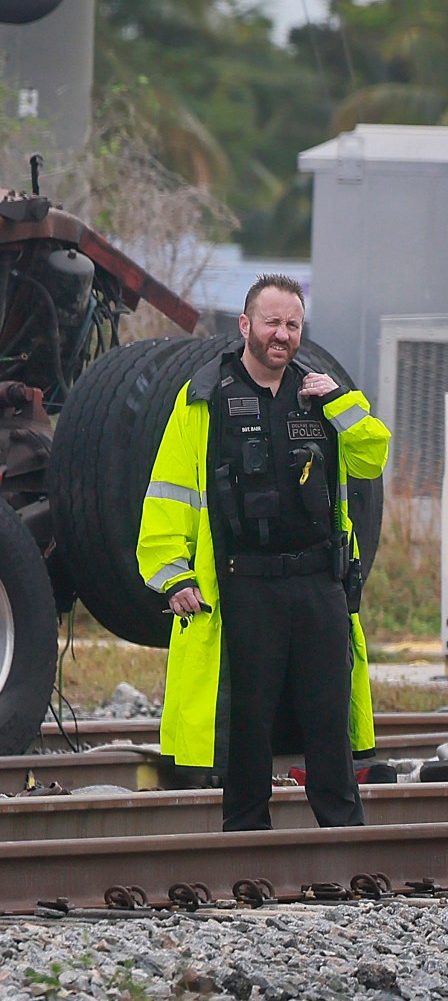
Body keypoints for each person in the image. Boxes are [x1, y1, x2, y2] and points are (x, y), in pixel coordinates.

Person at [136, 274, 390, 830]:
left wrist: (340, 403)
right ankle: (247, 836)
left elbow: (371, 457)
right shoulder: (205, 398)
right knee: (246, 720)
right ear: (246, 325)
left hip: (318, 582)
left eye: (293, 325)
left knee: (329, 715)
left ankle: (345, 835)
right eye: (272, 322)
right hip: (243, 584)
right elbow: (169, 492)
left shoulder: (322, 395)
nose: (282, 334)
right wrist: (173, 575)